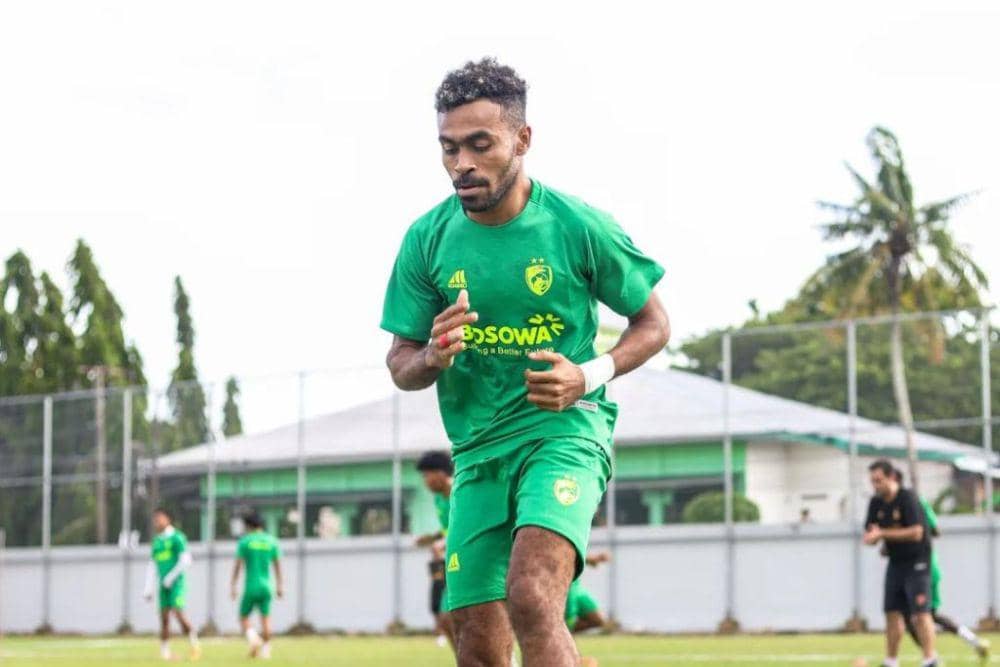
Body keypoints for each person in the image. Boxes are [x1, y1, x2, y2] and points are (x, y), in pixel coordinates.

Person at [381, 57, 669, 666]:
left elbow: (655, 325)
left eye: (479, 145)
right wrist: (433, 355)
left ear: (522, 139)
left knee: (533, 595)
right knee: (479, 645)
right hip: (477, 454)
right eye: (449, 148)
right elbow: (400, 365)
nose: (462, 163)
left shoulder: (577, 226)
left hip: (563, 433)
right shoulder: (426, 239)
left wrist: (587, 375)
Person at [890, 469, 990, 662]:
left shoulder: (913, 503)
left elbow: (934, 530)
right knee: (920, 615)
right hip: (915, 568)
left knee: (922, 615)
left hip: (922, 567)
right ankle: (970, 643)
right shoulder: (899, 505)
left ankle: (933, 657)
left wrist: (907, 535)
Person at [863, 460, 938, 667]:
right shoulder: (875, 503)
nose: (875, 485)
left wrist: (884, 534)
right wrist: (872, 539)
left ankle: (930, 660)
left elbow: (917, 532)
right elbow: (870, 533)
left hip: (918, 562)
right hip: (896, 563)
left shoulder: (908, 498)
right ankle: (891, 661)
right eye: (872, 481)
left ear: (892, 477)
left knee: (921, 614)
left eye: (879, 480)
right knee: (892, 612)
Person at [143, 507, 201, 661]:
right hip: (162, 585)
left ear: (168, 519)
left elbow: (186, 560)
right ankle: (165, 653)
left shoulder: (177, 538)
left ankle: (194, 645)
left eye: (159, 518)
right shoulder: (157, 541)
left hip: (176, 584)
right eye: (155, 519)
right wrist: (148, 588)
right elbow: (153, 565)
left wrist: (171, 577)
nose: (156, 522)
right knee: (164, 618)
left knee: (178, 614)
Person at [414, 450, 457, 654]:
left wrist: (443, 543)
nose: (425, 481)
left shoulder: (461, 492)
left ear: (440, 473)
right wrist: (433, 538)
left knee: (459, 617)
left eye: (426, 475)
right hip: (450, 561)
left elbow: (466, 525)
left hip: (469, 558)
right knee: (444, 619)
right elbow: (448, 527)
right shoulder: (440, 499)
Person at [230, 512, 283, 659]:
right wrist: (280, 585)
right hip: (267, 585)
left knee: (243, 616)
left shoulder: (245, 542)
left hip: (251, 585)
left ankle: (254, 638)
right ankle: (266, 653)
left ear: (248, 526)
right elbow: (277, 565)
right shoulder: (271, 541)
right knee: (265, 618)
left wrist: (233, 585)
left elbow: (238, 565)